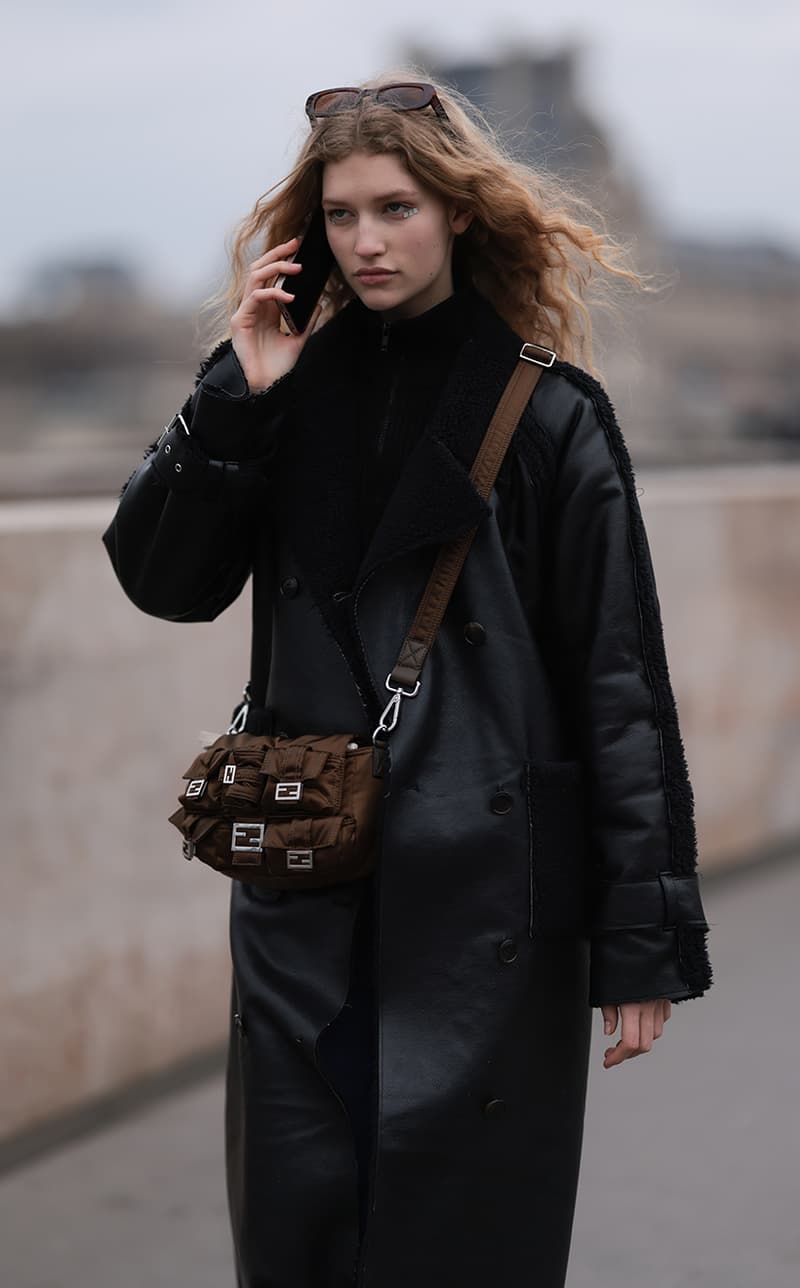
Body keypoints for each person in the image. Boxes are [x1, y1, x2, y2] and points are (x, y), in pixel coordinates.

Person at [102, 69, 713, 1288]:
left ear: (457, 214)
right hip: (303, 889)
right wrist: (233, 395)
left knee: (460, 1247)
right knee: (300, 1234)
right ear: (307, 232)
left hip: (484, 904)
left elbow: (617, 684)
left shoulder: (548, 414)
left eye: (396, 208)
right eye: (341, 216)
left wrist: (638, 938)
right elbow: (165, 580)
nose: (367, 242)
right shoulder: (277, 396)